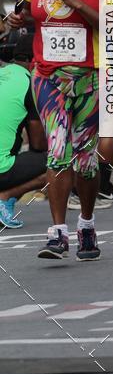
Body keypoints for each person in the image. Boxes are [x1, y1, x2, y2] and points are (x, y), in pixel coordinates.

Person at [8, 0, 102, 260]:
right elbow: (24, 9)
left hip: (92, 75)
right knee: (58, 149)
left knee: (86, 159)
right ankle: (58, 233)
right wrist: (17, 18)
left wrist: (75, 0)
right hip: (47, 75)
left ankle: (87, 225)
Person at [0, 33, 47, 228]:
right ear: (33, 60)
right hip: (2, 168)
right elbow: (38, 144)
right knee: (59, 162)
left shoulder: (3, 73)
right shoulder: (30, 84)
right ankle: (5, 196)